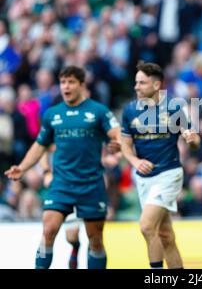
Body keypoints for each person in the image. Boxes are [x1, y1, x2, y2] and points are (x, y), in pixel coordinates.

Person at [4, 66, 120, 269]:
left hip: (90, 184)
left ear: (82, 85)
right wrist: (22, 168)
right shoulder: (52, 115)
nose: (66, 86)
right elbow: (40, 145)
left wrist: (117, 149)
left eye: (71, 82)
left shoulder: (98, 112)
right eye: (63, 82)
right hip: (62, 184)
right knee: (48, 230)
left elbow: (119, 135)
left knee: (95, 239)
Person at [120, 61, 201, 269]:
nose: (136, 87)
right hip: (143, 177)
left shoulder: (174, 107)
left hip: (168, 173)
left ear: (156, 85)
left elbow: (194, 142)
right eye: (136, 82)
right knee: (165, 234)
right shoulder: (130, 110)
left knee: (147, 226)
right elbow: (125, 146)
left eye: (142, 83)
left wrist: (191, 139)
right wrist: (135, 161)